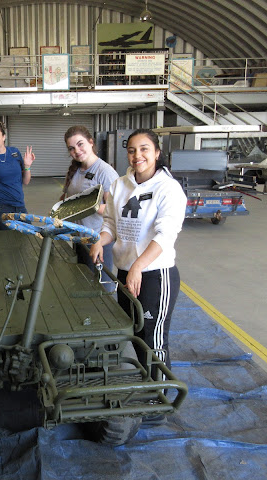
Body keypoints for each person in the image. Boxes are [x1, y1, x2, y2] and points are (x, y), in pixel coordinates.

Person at [89, 128, 186, 382]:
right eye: (132, 151)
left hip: (154, 275)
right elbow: (111, 224)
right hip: (126, 272)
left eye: (144, 149)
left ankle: (159, 394)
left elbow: (165, 235)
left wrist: (138, 266)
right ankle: (146, 385)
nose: (137, 156)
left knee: (153, 338)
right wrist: (100, 240)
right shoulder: (120, 185)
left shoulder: (169, 188)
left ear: (157, 152)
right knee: (134, 332)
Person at [61, 125, 119, 287]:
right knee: (83, 283)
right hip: (79, 237)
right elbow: (68, 199)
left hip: (98, 240)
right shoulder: (75, 170)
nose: (77, 151)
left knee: (102, 286)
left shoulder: (105, 172)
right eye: (71, 148)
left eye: (80, 144)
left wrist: (89, 206)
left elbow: (115, 211)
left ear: (91, 142)